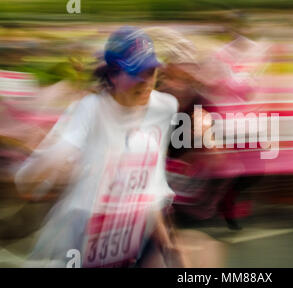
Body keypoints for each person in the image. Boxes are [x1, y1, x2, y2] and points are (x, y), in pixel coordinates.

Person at [14, 26, 183, 267]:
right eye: (137, 72)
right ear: (113, 75)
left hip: (137, 233)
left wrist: (167, 244)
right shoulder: (90, 109)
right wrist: (40, 174)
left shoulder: (165, 107)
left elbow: (151, 180)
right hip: (83, 235)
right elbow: (38, 171)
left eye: (151, 71)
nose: (146, 81)